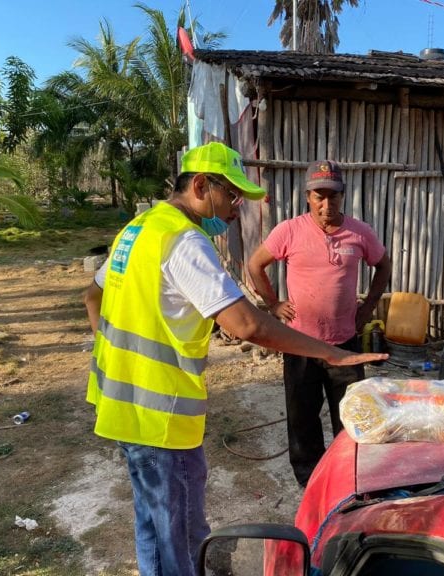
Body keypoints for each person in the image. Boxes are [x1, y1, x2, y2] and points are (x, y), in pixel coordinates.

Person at [83, 142, 386, 576]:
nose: (236, 207)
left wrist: (113, 359)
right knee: (183, 536)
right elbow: (247, 325)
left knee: (152, 523)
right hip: (161, 417)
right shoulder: (185, 241)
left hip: (121, 404)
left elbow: (92, 296)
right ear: (202, 186)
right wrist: (331, 354)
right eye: (232, 195)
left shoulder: (139, 228)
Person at [247, 159, 391, 487]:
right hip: (299, 344)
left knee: (352, 417)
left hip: (344, 343)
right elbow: (256, 265)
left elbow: (384, 265)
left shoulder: (360, 232)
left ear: (343, 196)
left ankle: (348, 478)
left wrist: (368, 305)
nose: (327, 205)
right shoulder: (289, 230)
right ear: (308, 196)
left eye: (333, 197)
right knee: (302, 418)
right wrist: (273, 304)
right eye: (319, 196)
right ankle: (309, 481)